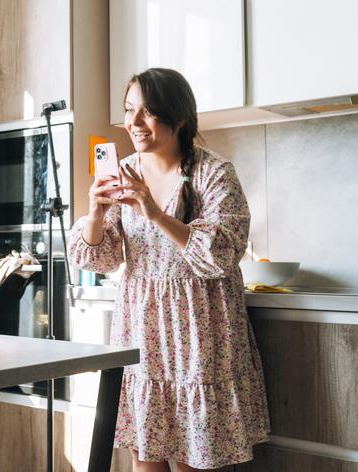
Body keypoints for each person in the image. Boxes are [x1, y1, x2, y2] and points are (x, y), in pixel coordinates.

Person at [69, 68, 270, 471]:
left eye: (148, 112)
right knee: (146, 459)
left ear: (178, 117)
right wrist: (95, 212)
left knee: (197, 461)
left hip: (201, 334)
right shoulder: (122, 171)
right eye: (129, 110)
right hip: (143, 330)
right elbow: (99, 258)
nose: (134, 123)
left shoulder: (214, 173)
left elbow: (221, 253)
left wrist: (156, 213)